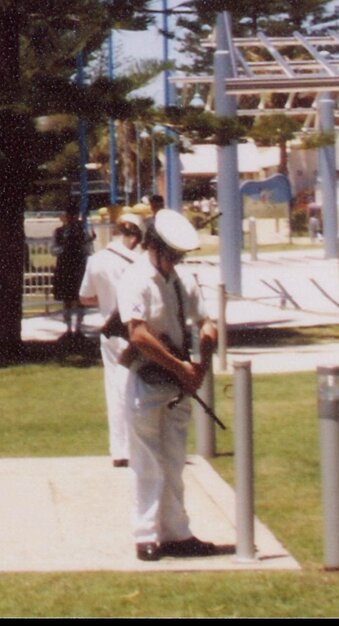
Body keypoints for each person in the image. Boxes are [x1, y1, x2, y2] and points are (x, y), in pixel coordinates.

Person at [119, 209, 221, 561]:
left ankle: (177, 532)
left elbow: (206, 323)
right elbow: (139, 334)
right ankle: (147, 534)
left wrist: (201, 367)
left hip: (178, 384)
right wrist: (181, 367)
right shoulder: (135, 278)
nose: (176, 260)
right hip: (146, 377)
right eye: (172, 253)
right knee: (147, 461)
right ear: (156, 247)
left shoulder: (183, 280)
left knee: (174, 460)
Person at [79, 213, 144, 466]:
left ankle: (119, 449)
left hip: (109, 331)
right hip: (133, 330)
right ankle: (136, 445)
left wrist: (106, 301)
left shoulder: (96, 260)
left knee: (115, 389)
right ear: (136, 236)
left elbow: (85, 297)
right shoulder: (138, 263)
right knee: (137, 388)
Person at [53, 211, 90, 338]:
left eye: (74, 216)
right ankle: (68, 329)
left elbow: (88, 250)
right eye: (70, 216)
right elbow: (54, 250)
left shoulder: (83, 232)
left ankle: (78, 329)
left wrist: (84, 243)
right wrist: (64, 246)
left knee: (80, 298)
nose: (72, 219)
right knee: (66, 299)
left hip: (78, 267)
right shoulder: (59, 231)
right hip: (65, 267)